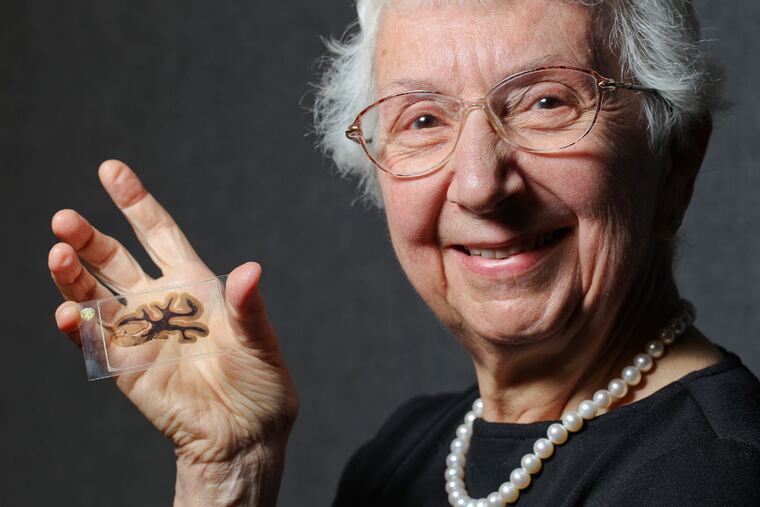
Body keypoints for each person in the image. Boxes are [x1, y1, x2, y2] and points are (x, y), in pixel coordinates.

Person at [47, 0, 760, 506]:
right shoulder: (403, 454)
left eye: (546, 102)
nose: (479, 183)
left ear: (677, 158)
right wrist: (229, 472)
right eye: (423, 119)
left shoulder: (711, 475)